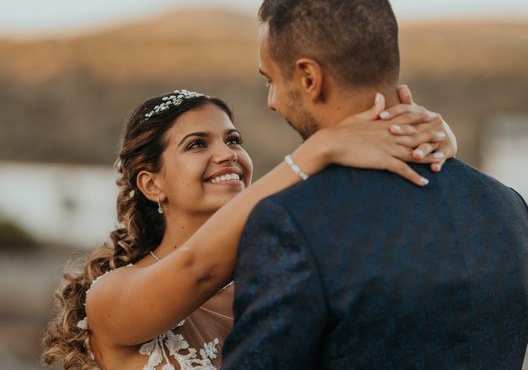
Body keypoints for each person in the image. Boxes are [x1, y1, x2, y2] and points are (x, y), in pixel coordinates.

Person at [221, 0, 528, 369]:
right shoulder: (508, 207)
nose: (272, 101)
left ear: (309, 78)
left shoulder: (293, 222)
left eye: (271, 80)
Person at [42, 85, 456, 370]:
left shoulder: (280, 283)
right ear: (152, 184)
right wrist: (319, 150)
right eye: (198, 144)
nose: (227, 154)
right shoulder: (111, 296)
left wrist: (425, 150)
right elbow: (198, 267)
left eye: (234, 139)